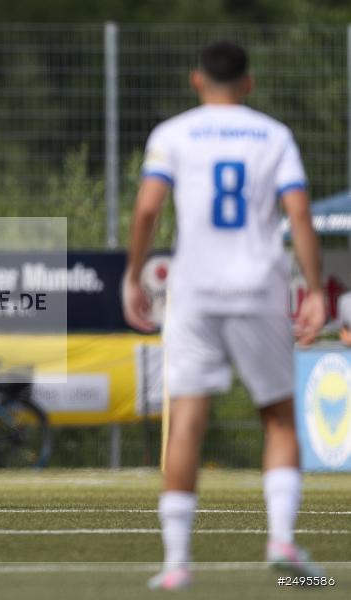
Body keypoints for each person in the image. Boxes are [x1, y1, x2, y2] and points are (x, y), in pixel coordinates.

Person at [121, 41, 326, 590]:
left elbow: (147, 208)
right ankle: (281, 539)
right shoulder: (274, 135)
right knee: (278, 417)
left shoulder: (173, 134)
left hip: (195, 289)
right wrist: (312, 288)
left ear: (197, 80)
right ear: (249, 83)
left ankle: (176, 562)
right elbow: (299, 211)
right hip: (259, 286)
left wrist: (133, 273)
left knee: (187, 419)